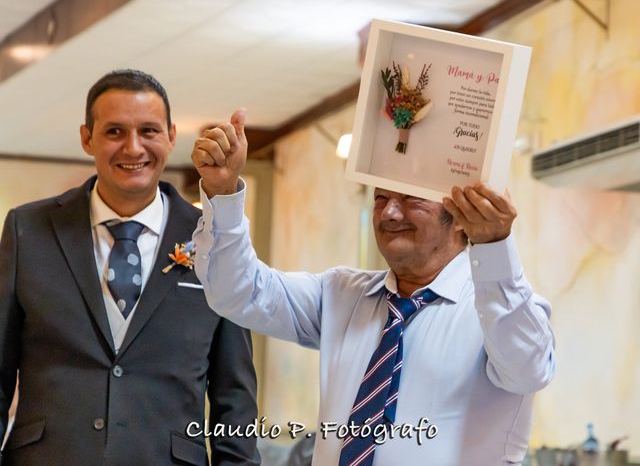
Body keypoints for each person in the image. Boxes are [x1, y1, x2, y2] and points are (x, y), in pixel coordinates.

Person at [190, 109, 556, 466]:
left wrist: (494, 248)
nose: (390, 214)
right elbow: (236, 291)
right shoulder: (341, 295)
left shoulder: (500, 311)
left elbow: (528, 371)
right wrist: (222, 194)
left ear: (459, 218)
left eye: (411, 199)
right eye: (381, 199)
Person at [0, 70, 260, 466]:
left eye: (149, 131)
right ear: (87, 137)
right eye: (115, 132)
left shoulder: (216, 238)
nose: (133, 147)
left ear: (172, 136)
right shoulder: (28, 230)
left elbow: (235, 398)